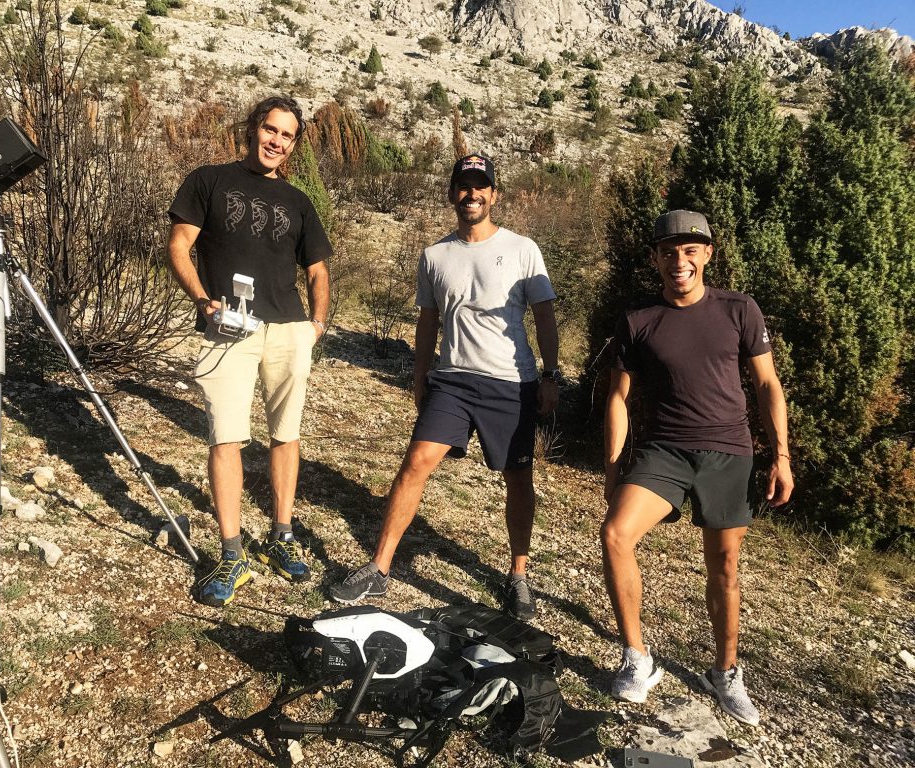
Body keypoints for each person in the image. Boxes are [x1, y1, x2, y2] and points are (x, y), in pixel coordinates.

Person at [329, 154, 560, 620]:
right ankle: (379, 568)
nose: (471, 194)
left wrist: (551, 376)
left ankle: (518, 575)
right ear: (452, 192)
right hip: (452, 380)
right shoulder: (434, 256)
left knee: (518, 478)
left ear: (494, 194)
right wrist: (420, 379)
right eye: (463, 186)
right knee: (415, 462)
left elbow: (545, 316)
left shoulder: (522, 249)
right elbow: (427, 323)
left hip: (511, 384)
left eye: (481, 186)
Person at [600, 210, 793, 725]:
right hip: (664, 451)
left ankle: (726, 672)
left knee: (725, 568)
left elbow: (768, 385)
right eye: (668, 251)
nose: (678, 261)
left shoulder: (739, 310)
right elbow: (619, 398)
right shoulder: (638, 319)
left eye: (690, 250)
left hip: (728, 452)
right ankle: (637, 660)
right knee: (616, 534)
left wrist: (781, 456)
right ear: (655, 259)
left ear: (708, 254)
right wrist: (614, 466)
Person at [167, 95, 331, 606]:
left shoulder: (299, 202)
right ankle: (232, 551)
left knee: (285, 435)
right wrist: (201, 299)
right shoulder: (209, 180)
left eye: (286, 135)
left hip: (288, 330)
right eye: (270, 129)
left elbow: (319, 269)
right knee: (227, 436)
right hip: (228, 329)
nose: (276, 141)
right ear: (253, 129)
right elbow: (178, 244)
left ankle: (282, 536)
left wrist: (316, 324)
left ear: (294, 145)